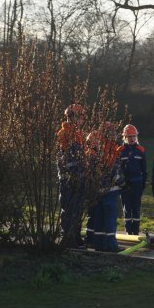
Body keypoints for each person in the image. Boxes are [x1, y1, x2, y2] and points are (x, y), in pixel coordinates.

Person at [85, 123, 124, 252]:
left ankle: (99, 244)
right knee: (110, 219)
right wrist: (123, 183)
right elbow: (115, 172)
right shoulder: (111, 150)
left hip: (97, 191)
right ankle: (111, 245)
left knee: (99, 218)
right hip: (110, 191)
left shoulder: (94, 152)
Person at [56, 103, 87, 248]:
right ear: (73, 117)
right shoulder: (64, 134)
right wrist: (73, 173)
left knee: (77, 208)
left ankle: (75, 236)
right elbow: (64, 159)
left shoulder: (78, 134)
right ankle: (67, 238)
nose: (83, 120)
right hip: (69, 178)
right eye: (81, 117)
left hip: (78, 177)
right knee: (68, 208)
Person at [117, 124, 147, 235]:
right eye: (129, 136)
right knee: (127, 206)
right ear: (125, 137)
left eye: (134, 136)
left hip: (137, 183)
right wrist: (121, 182)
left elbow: (144, 169)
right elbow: (118, 168)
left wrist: (143, 182)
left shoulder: (141, 150)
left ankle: (136, 230)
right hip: (125, 183)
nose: (132, 138)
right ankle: (128, 230)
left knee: (136, 206)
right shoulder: (120, 150)